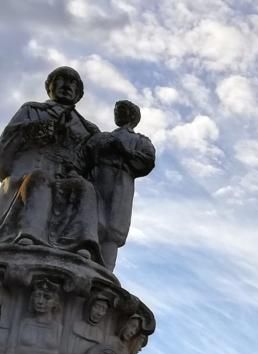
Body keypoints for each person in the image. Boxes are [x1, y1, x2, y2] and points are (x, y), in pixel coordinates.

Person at [0, 66, 101, 259]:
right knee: (39, 180)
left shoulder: (88, 128)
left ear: (79, 93)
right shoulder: (32, 109)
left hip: (66, 174)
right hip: (29, 171)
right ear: (50, 87)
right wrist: (45, 128)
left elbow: (94, 161)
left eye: (72, 82)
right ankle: (29, 235)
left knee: (85, 188)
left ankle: (82, 244)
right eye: (61, 80)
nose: (66, 85)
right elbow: (8, 139)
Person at [87, 100, 156, 270]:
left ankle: (105, 270)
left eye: (122, 110)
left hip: (121, 182)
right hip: (97, 178)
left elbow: (147, 161)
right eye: (116, 110)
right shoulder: (102, 136)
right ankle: (85, 253)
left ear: (133, 116)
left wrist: (123, 150)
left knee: (113, 226)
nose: (118, 113)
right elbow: (86, 153)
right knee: (91, 217)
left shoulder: (141, 140)